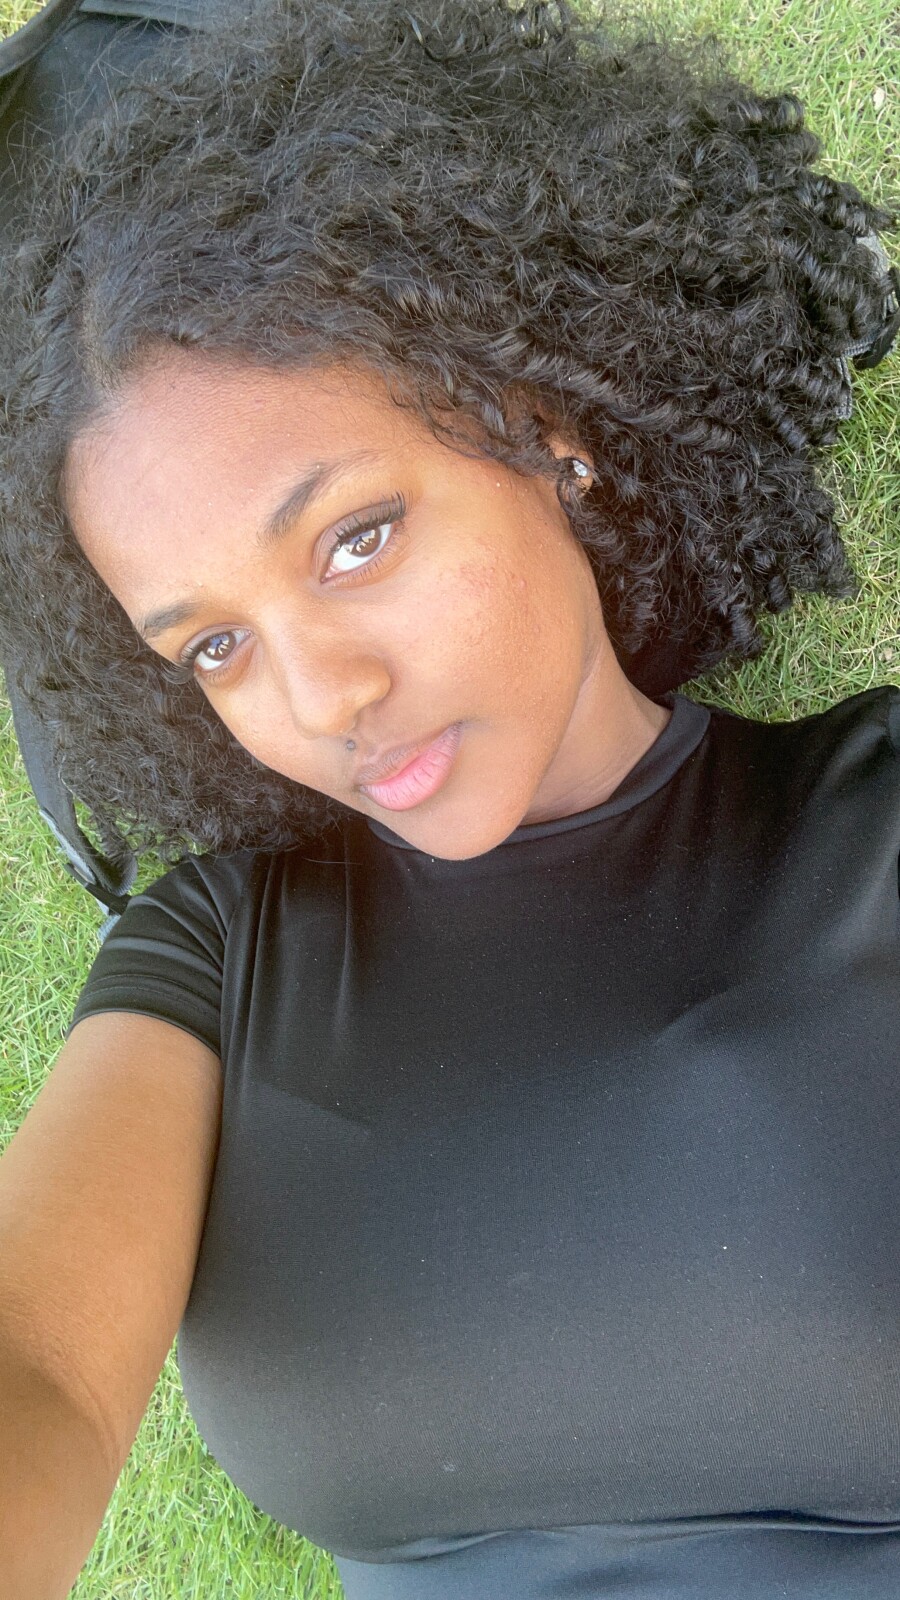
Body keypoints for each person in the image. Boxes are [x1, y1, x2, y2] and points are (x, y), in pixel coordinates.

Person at [0, 0, 898, 1595]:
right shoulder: (219, 957)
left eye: (354, 539)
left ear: (545, 429)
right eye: (214, 646)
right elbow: (40, 1371)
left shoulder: (871, 825)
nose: (318, 698)